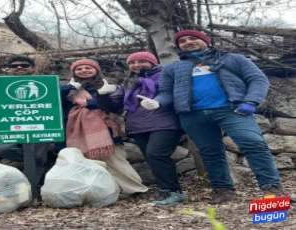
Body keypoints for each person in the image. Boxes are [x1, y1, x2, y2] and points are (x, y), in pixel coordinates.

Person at [143, 29, 294, 204]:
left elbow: (258, 80)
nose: (187, 42)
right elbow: (166, 92)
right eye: (182, 41)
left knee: (253, 144)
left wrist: (251, 102)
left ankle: (272, 189)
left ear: (205, 40)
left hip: (232, 110)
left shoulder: (234, 59)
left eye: (193, 38)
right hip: (193, 114)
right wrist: (158, 102)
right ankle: (223, 191)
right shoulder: (173, 68)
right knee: (210, 152)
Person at [95, 52, 185, 205]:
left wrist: (159, 102)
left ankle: (173, 192)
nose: (136, 65)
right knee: (152, 158)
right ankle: (166, 193)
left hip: (165, 122)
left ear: (152, 62)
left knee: (156, 154)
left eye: (142, 61)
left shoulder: (165, 76)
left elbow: (171, 94)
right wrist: (103, 95)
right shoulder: (128, 82)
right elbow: (112, 106)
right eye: (132, 62)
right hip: (137, 126)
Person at [56, 58, 148, 195]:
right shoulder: (66, 89)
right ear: (73, 72)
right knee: (79, 165)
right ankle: (91, 195)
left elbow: (116, 105)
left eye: (88, 68)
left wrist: (90, 103)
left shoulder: (107, 86)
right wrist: (68, 87)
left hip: (105, 131)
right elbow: (53, 101)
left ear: (96, 70)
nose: (84, 71)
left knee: (115, 162)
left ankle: (136, 190)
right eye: (79, 69)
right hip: (75, 133)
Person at [0, 56, 53, 203]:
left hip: (41, 124)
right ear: (9, 69)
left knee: (37, 157)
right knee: (1, 149)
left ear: (33, 68)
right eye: (15, 65)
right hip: (9, 124)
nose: (20, 67)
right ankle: (37, 162)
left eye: (25, 65)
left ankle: (30, 194)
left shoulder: (46, 82)